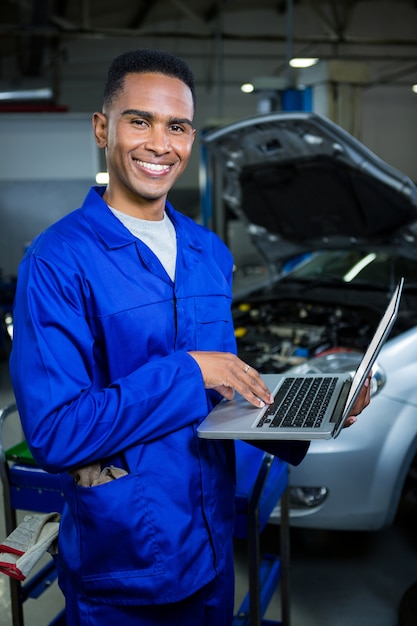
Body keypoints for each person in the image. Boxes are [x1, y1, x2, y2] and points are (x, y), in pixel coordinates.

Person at [9, 49, 371, 625]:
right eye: (139, 121)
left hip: (211, 544)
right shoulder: (58, 261)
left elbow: (220, 387)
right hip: (125, 560)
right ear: (103, 127)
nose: (159, 143)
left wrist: (309, 413)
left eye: (176, 125)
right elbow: (55, 432)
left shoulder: (209, 253)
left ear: (191, 137)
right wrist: (190, 371)